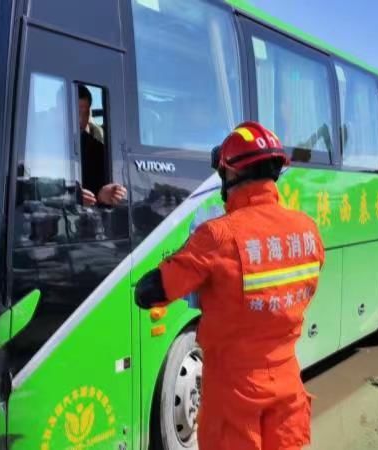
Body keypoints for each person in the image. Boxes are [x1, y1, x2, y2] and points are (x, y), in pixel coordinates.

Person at [134, 122, 325, 450]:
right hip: (287, 384)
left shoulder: (216, 235)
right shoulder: (307, 231)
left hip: (235, 395)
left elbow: (150, 291)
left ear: (231, 174)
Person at [77, 85, 126, 207]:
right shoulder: (45, 143)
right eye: (77, 111)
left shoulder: (97, 150)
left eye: (85, 111)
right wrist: (71, 196)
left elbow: (102, 192)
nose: (81, 118)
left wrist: (100, 196)